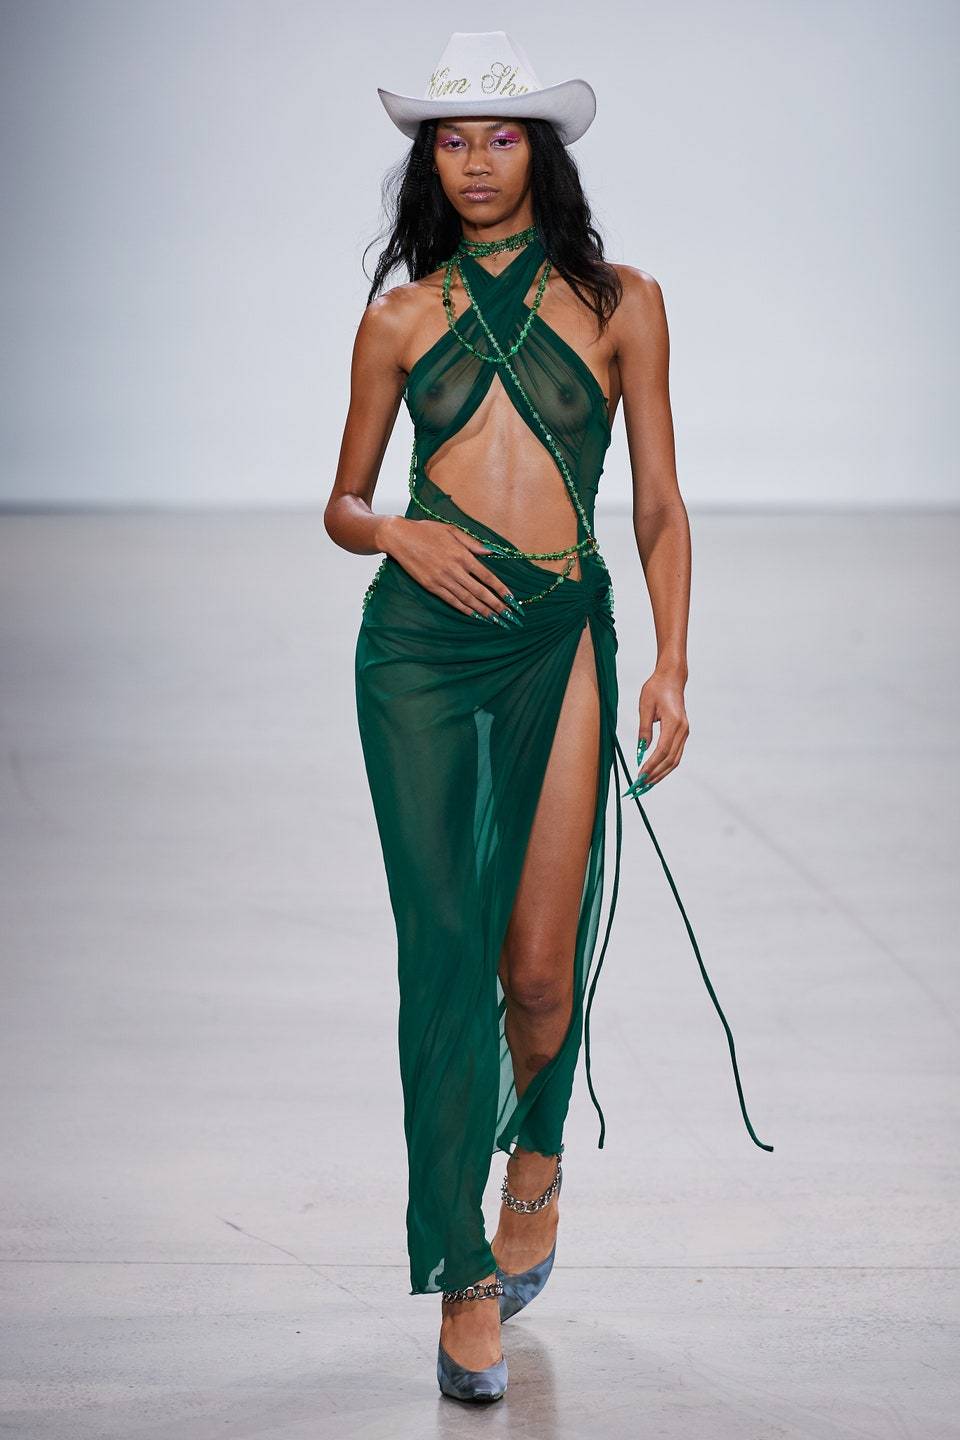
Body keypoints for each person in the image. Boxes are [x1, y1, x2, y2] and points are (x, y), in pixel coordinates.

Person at [324, 30, 773, 1404]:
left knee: (533, 966)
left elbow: (660, 503)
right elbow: (343, 502)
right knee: (442, 951)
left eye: (500, 137)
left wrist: (674, 664)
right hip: (419, 647)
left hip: (557, 636)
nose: (475, 161)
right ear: (429, 161)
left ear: (542, 151)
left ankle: (536, 1158)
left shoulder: (625, 302)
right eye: (453, 141)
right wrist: (395, 533)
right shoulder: (400, 320)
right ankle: (462, 1275)